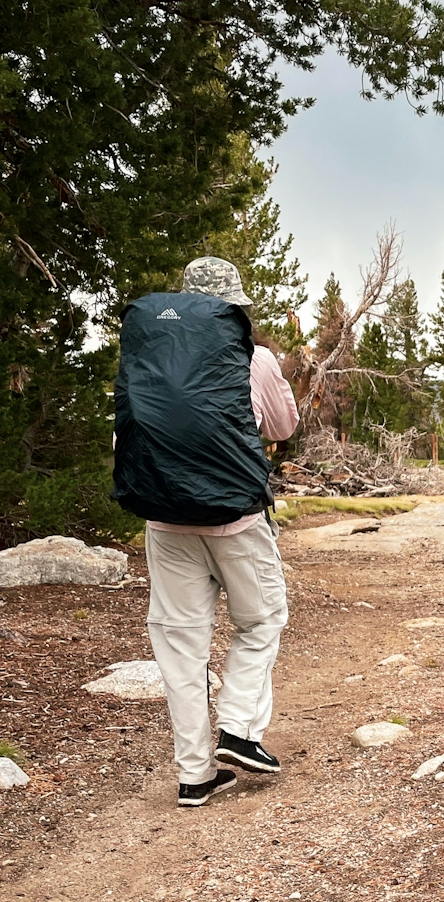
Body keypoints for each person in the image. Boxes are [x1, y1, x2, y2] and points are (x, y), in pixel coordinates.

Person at [117, 257, 299, 806]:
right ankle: (240, 729)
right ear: (234, 305)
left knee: (179, 645)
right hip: (235, 519)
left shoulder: (149, 350)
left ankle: (195, 774)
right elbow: (284, 426)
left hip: (162, 516)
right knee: (262, 618)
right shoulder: (254, 355)